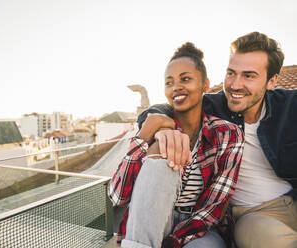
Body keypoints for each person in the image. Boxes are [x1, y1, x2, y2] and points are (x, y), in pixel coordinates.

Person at [138, 32, 297, 248]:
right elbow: (163, 108)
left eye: (248, 76)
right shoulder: (212, 107)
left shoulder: (289, 106)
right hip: (249, 217)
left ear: (271, 81)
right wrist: (161, 125)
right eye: (231, 73)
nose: (235, 85)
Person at [108, 42, 244, 248]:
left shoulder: (227, 133)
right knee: (160, 153)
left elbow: (214, 207)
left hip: (200, 227)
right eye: (169, 82)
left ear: (205, 85)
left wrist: (172, 243)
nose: (176, 87)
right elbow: (117, 196)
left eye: (186, 79)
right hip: (153, 221)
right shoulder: (155, 128)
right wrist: (144, 135)